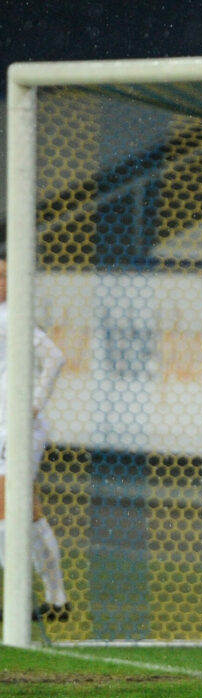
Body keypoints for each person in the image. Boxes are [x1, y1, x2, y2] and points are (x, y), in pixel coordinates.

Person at [0, 249, 69, 623]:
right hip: (4, 425)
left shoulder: (15, 318)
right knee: (27, 508)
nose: (2, 282)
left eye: (5, 276)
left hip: (18, 426)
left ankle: (17, 597)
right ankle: (56, 597)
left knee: (9, 502)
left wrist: (34, 404)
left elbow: (55, 358)